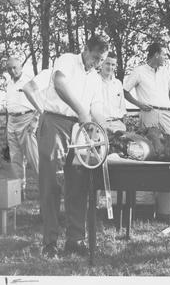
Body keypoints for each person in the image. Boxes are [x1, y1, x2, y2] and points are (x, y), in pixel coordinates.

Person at [38, 35, 108, 258]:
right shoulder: (67, 60)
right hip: (55, 122)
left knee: (78, 183)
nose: (97, 63)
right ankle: (49, 242)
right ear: (86, 49)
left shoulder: (96, 79)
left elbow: (96, 109)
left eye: (101, 60)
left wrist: (105, 131)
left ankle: (75, 239)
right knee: (51, 184)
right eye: (95, 57)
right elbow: (59, 83)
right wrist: (81, 111)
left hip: (80, 130)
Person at [123, 42, 170, 136]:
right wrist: (139, 104)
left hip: (167, 114)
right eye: (164, 54)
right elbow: (125, 91)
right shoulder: (139, 71)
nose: (165, 58)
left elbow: (169, 92)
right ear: (156, 55)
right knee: (150, 146)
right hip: (149, 114)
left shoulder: (165, 72)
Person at [5, 57, 39, 200]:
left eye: (15, 68)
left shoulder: (29, 80)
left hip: (27, 120)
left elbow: (40, 101)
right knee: (15, 159)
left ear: (21, 67)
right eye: (9, 68)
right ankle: (20, 192)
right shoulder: (9, 82)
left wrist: (35, 121)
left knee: (34, 158)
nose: (12, 71)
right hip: (12, 121)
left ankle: (46, 190)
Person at [99, 52, 127, 133]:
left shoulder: (118, 83)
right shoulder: (94, 80)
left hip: (117, 124)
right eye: (107, 63)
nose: (110, 67)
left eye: (113, 64)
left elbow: (122, 108)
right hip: (100, 125)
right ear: (102, 63)